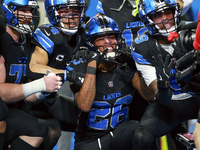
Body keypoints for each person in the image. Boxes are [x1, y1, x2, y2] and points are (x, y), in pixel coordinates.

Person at [70, 14, 154, 150]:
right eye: (101, 38)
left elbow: (149, 95)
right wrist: (92, 65)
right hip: (89, 140)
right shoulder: (79, 66)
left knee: (139, 130)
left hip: (118, 135)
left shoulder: (127, 66)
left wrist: (139, 64)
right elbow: (84, 105)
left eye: (111, 37)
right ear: (90, 42)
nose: (108, 42)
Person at [129, 0, 199, 149]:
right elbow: (163, 100)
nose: (165, 18)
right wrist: (162, 84)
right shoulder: (141, 46)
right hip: (170, 101)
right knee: (142, 136)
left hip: (198, 96)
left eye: (168, 12)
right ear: (148, 19)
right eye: (158, 15)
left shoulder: (193, 32)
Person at [0, 0, 62, 149]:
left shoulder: (28, 42)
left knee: (50, 129)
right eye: (23, 10)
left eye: (30, 11)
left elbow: (27, 94)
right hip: (2, 109)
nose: (29, 15)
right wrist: (39, 84)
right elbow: (1, 93)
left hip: (14, 107)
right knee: (35, 129)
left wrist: (43, 91)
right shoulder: (1, 42)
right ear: (7, 11)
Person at [26, 0, 87, 149]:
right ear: (53, 13)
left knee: (93, 120)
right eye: (64, 11)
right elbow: (34, 68)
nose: (71, 16)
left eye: (75, 11)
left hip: (51, 99)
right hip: (29, 99)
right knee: (51, 132)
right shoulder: (48, 33)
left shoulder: (83, 35)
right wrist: (69, 75)